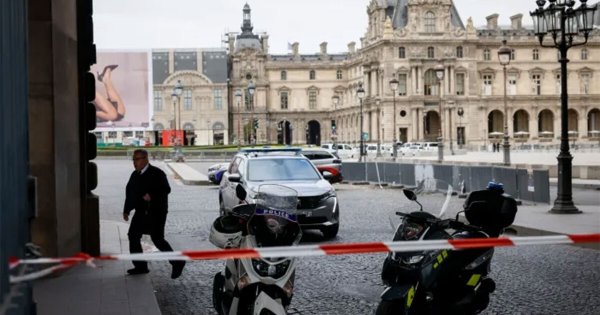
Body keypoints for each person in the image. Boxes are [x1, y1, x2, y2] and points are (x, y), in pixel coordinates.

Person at [123, 149, 185, 279]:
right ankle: (140, 266)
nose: (135, 162)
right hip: (141, 212)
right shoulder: (135, 175)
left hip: (156, 212)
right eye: (133, 160)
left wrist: (151, 196)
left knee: (157, 239)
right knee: (133, 235)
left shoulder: (157, 173)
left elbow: (166, 189)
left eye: (137, 159)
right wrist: (127, 210)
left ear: (146, 159)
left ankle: (177, 262)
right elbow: (130, 193)